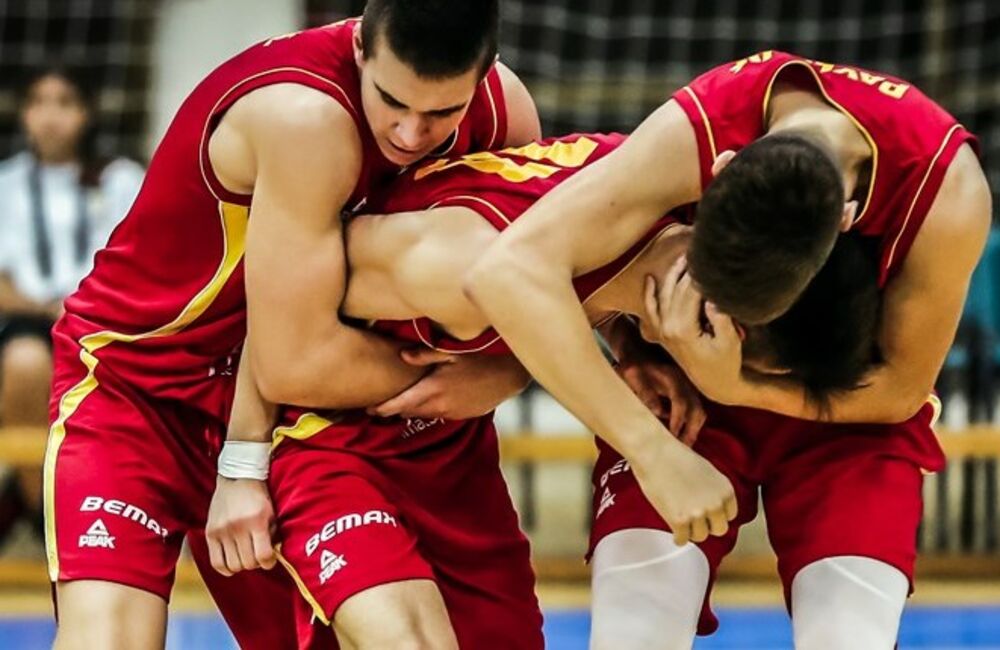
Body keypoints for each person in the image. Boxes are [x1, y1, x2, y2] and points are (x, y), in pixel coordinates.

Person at [214, 131, 882, 648]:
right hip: (324, 434)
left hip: (447, 448)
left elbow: (570, 290)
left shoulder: (648, 202)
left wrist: (615, 348)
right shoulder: (458, 265)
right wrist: (240, 465)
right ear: (711, 319)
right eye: (733, 377)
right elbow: (275, 322)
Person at [44, 0, 541, 648]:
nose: (409, 133)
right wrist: (471, 370)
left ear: (483, 76)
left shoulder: (506, 114)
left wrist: (507, 370)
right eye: (391, 101)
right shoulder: (305, 117)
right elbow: (296, 360)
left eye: (440, 113)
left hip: (289, 406)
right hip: (144, 391)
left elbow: (547, 284)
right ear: (360, 46)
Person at [461, 51, 990, 649]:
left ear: (844, 220)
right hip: (685, 382)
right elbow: (513, 270)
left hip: (845, 404)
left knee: (849, 637)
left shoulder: (947, 190)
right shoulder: (697, 127)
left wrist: (736, 385)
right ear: (720, 168)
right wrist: (631, 351)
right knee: (632, 634)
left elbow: (898, 391)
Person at [0, 64, 141, 552]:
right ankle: (38, 502)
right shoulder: (7, 182)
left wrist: (84, 304)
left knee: (116, 371)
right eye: (40, 103)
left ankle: (110, 500)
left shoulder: (120, 178)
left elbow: (141, 259)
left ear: (86, 113)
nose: (51, 117)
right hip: (30, 317)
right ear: (24, 113)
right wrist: (45, 306)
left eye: (65, 103)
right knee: (24, 362)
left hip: (104, 315)